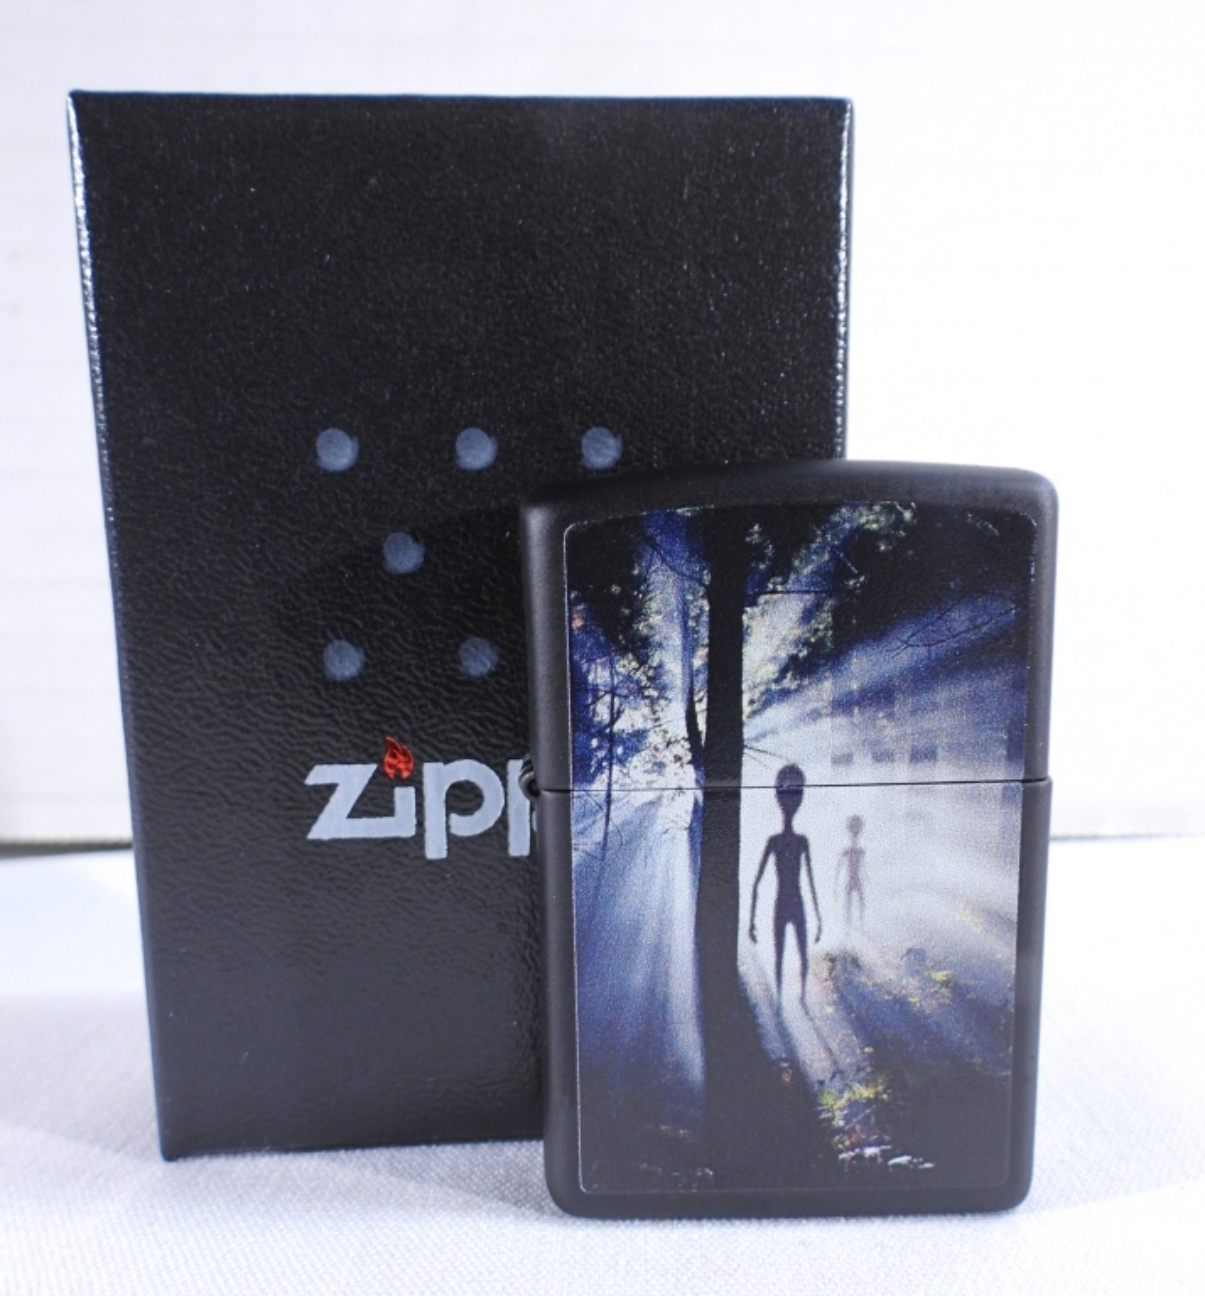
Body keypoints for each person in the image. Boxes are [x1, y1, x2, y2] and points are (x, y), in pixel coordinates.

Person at [749, 765, 822, 1006]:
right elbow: (757, 882)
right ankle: (782, 1000)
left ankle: (800, 999)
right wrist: (751, 921)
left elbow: (810, 880)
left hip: (792, 902)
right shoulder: (776, 842)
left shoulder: (800, 841)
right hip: (785, 902)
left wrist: (819, 918)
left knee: (800, 955)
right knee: (780, 955)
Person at [836, 814, 867, 930]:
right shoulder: (849, 851)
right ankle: (849, 926)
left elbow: (863, 868)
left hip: (855, 879)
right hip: (851, 879)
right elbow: (839, 868)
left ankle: (860, 925)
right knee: (851, 904)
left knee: (859, 903)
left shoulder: (858, 851)